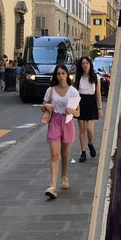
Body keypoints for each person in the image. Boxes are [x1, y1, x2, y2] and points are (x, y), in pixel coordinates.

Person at [41, 64, 80, 199]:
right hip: (54, 122)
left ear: (67, 75)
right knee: (54, 154)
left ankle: (64, 176)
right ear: (55, 76)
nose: (61, 76)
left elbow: (78, 113)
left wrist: (72, 111)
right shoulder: (50, 90)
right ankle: (52, 186)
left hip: (68, 122)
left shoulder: (73, 92)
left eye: (63, 73)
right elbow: (43, 105)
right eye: (58, 74)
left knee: (65, 153)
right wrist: (46, 105)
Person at [75, 56, 102, 163]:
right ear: (80, 66)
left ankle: (90, 143)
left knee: (89, 130)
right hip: (81, 102)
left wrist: (100, 108)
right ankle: (83, 152)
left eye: (87, 63)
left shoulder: (95, 77)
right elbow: (74, 93)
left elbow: (98, 93)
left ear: (90, 65)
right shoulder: (78, 78)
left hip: (91, 102)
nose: (85, 65)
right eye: (83, 63)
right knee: (81, 129)